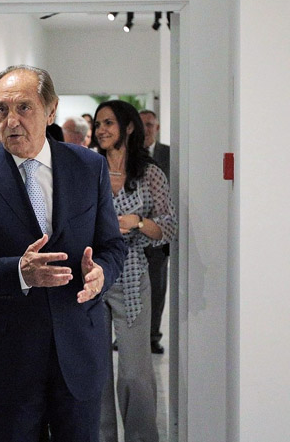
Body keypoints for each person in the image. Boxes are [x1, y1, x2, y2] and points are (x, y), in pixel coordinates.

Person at [0, 65, 126, 442]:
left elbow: (112, 245)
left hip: (78, 353)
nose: (11, 120)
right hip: (5, 361)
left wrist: (100, 274)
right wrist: (20, 273)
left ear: (50, 110)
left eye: (24, 108)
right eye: (1, 109)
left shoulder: (88, 167)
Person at [93, 100, 177, 442]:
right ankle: (101, 437)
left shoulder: (149, 173)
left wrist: (138, 222)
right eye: (98, 124)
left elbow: (168, 227)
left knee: (135, 373)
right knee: (96, 370)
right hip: (93, 274)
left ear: (128, 127)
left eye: (108, 123)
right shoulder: (88, 167)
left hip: (132, 275)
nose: (100, 130)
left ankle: (141, 437)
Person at [139, 109, 171, 354]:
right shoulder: (126, 155)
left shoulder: (169, 154)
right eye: (142, 124)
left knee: (157, 288)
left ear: (157, 127)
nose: (146, 129)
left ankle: (152, 336)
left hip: (158, 236)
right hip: (131, 235)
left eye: (150, 124)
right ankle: (131, 334)